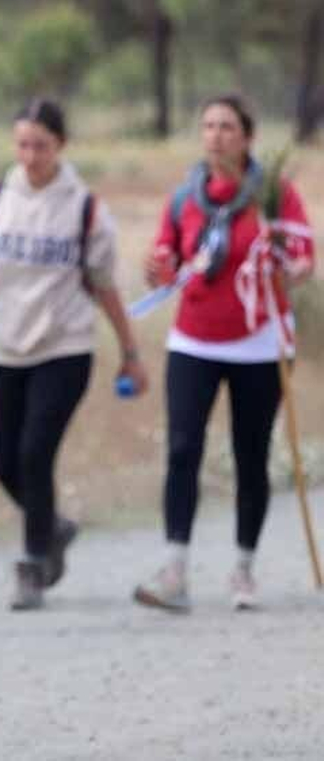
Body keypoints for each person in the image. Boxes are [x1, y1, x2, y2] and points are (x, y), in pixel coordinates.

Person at [132, 94, 314, 613]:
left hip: (259, 343)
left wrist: (291, 267)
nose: (215, 135)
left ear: (247, 137)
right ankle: (174, 570)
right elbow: (167, 254)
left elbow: (303, 257)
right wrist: (158, 268)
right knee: (183, 449)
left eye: (227, 127)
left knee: (250, 454)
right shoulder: (186, 196)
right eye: (208, 125)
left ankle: (243, 569)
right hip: (193, 339)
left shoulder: (274, 194)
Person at [0, 98, 149, 611]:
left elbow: (104, 284)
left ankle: (31, 564)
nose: (29, 155)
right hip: (8, 346)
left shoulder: (84, 208)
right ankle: (54, 528)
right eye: (22, 143)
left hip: (65, 347)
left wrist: (130, 350)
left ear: (60, 146)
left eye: (40, 145)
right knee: (5, 464)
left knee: (34, 454)